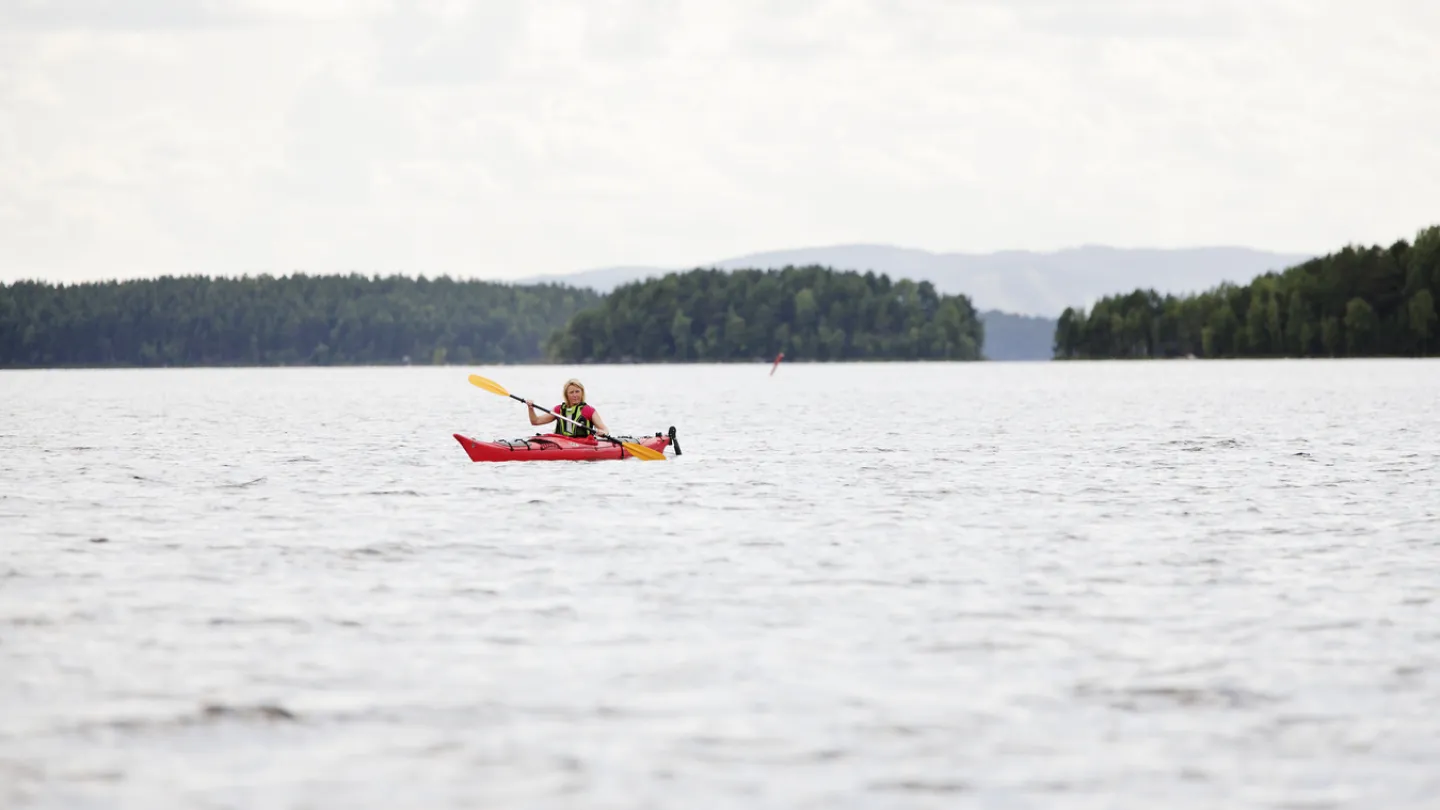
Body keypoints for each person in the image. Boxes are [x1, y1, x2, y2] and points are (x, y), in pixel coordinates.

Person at [527, 378, 609, 438]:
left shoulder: (588, 410)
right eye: (571, 392)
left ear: (582, 392)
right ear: (566, 395)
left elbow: (605, 429)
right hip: (562, 443)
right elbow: (535, 421)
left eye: (577, 391)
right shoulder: (558, 410)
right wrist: (530, 408)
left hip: (583, 444)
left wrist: (602, 432)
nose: (575, 395)